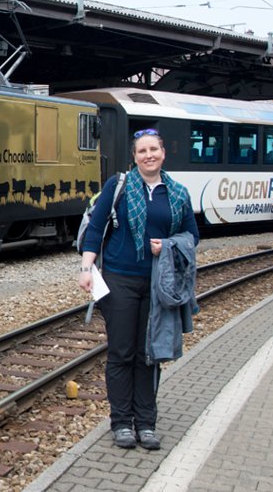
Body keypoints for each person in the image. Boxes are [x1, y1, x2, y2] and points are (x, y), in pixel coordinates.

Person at [77, 127, 200, 451]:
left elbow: (192, 236)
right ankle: (121, 423)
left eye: (154, 150)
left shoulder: (177, 193)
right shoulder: (118, 186)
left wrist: (169, 245)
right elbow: (96, 228)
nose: (149, 155)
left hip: (158, 283)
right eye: (142, 151)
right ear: (135, 157)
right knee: (121, 352)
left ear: (163, 153)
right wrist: (86, 268)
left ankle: (146, 423)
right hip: (119, 280)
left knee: (149, 354)